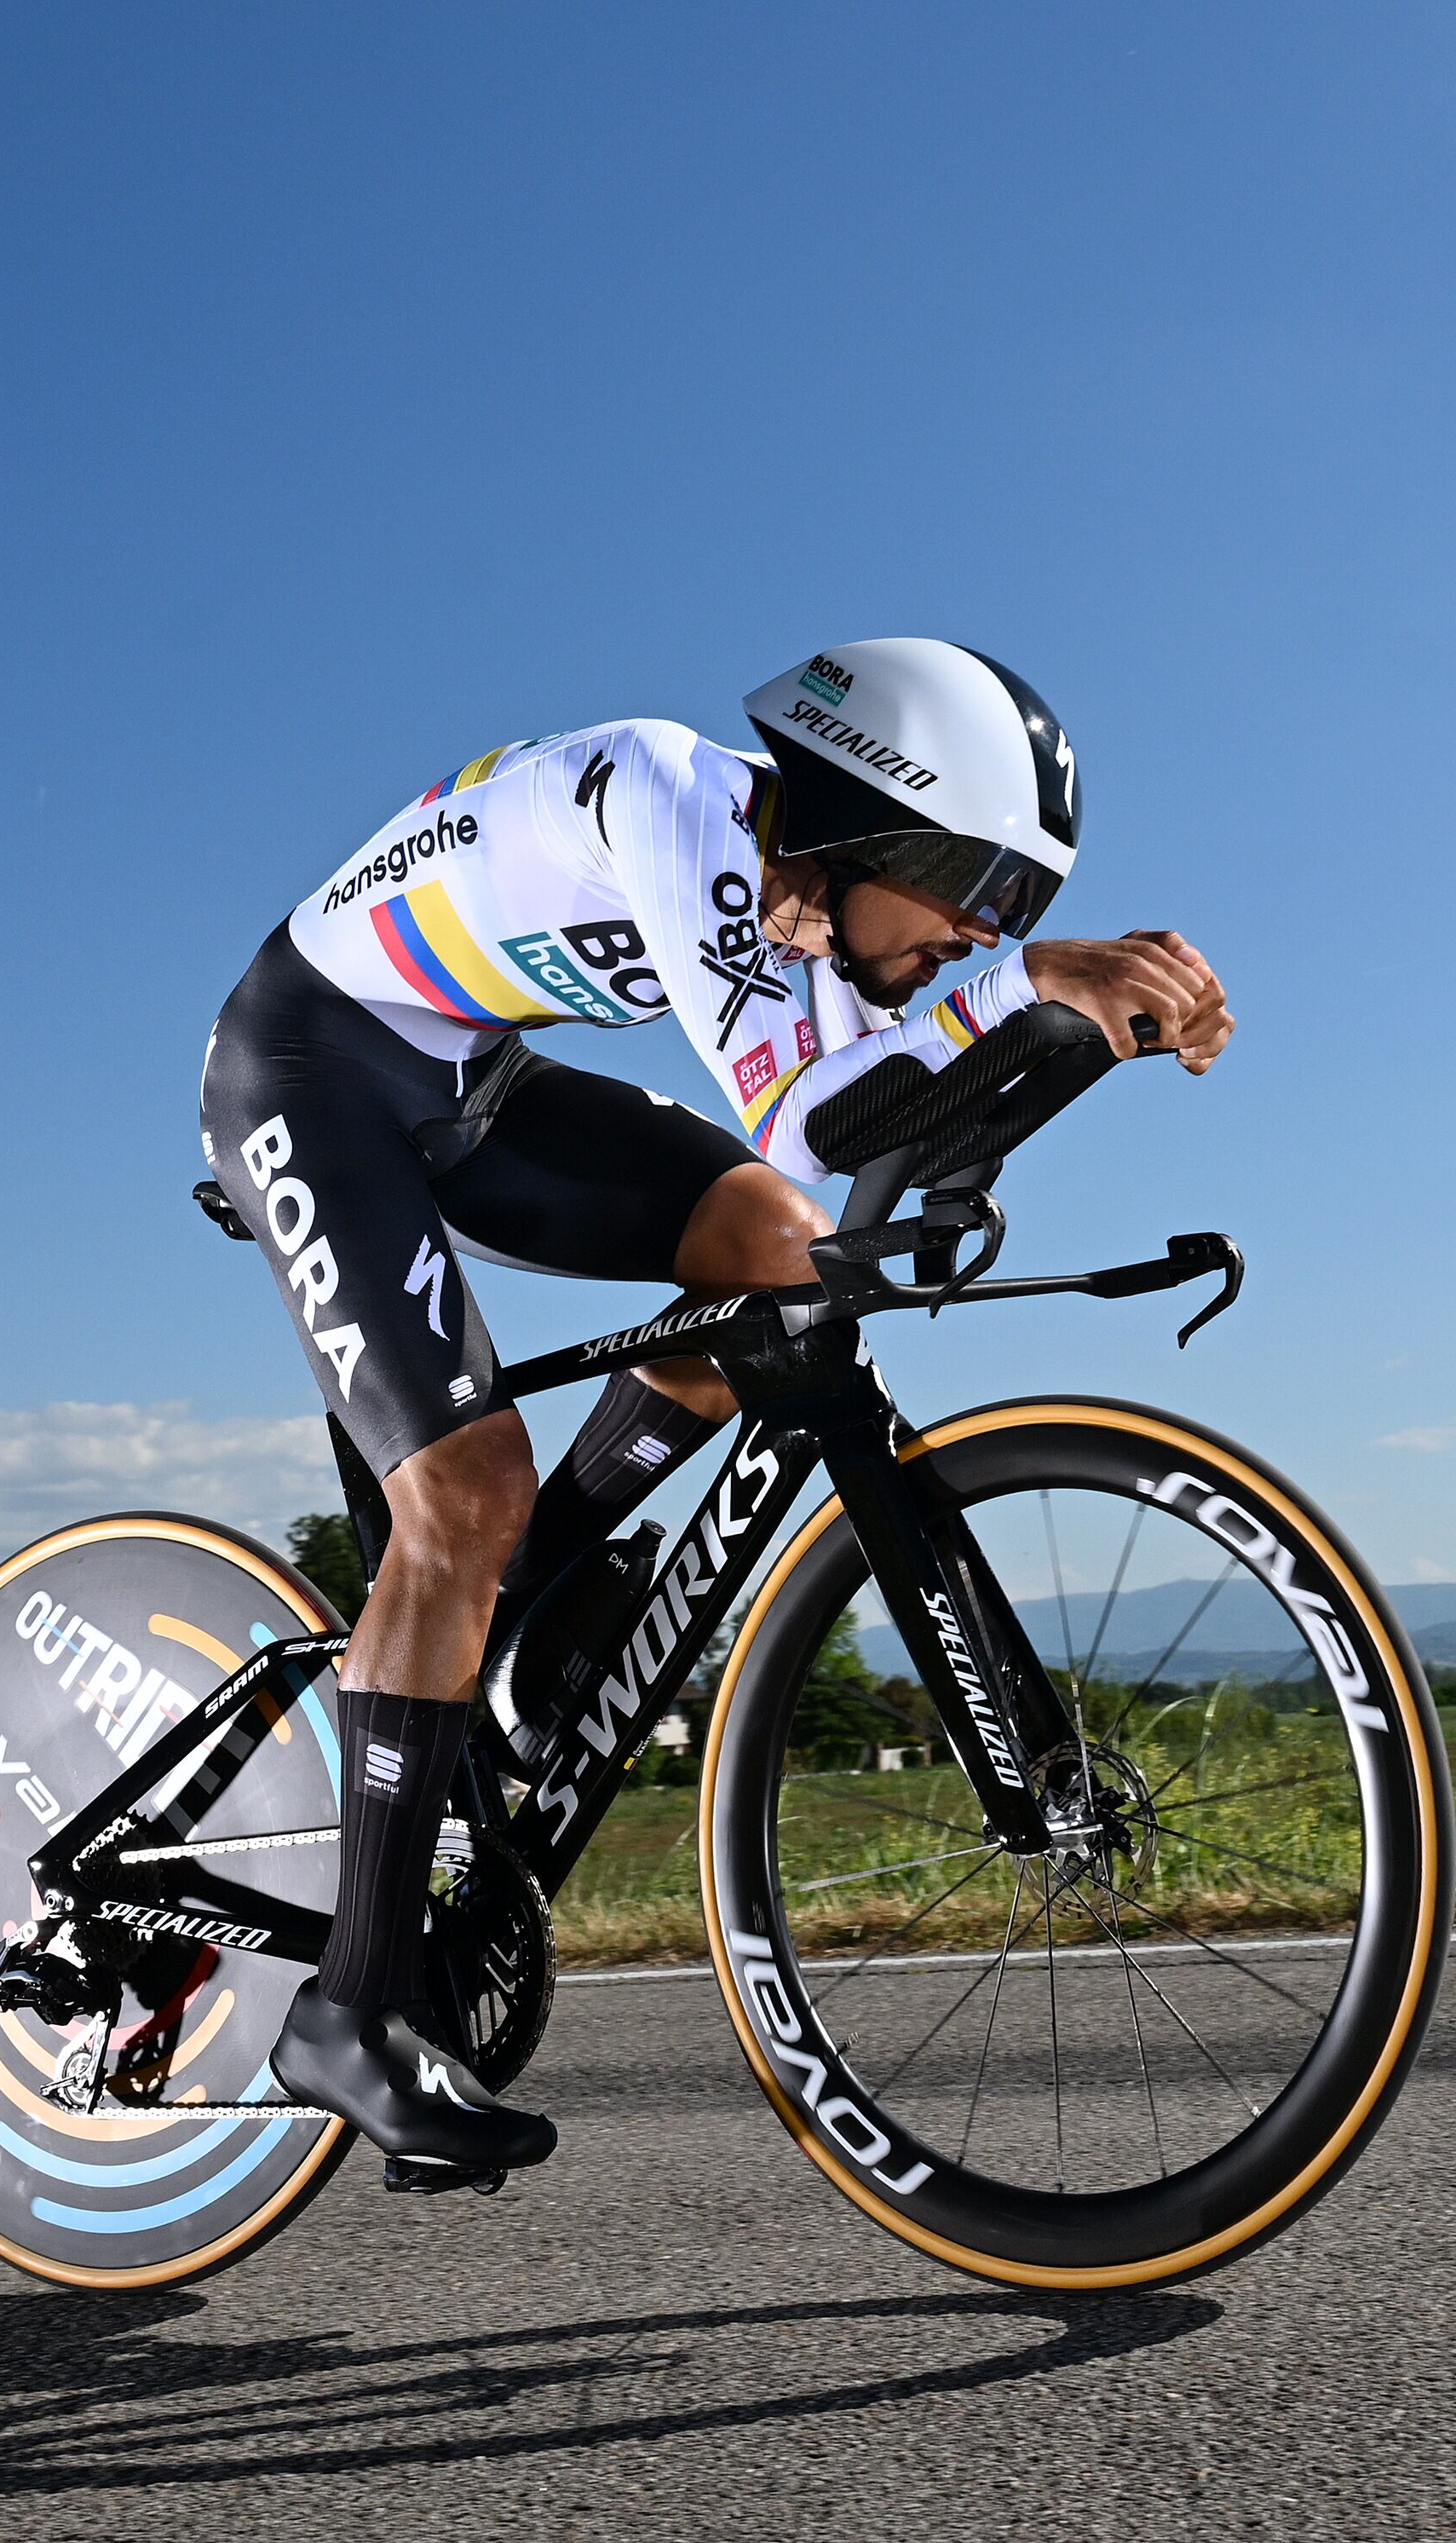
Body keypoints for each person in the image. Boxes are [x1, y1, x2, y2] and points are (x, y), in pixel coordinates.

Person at [198, 639, 1236, 2177]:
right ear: (857, 818)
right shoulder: (676, 812)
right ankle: (348, 2011)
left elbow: (878, 1153)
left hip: (475, 1083)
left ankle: (524, 1601)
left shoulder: (802, 899)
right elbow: (818, 1117)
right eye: (972, 883)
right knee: (463, 1493)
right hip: (308, 1067)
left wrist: (1082, 1038)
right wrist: (1042, 982)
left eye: (1010, 905)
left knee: (774, 1257)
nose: (975, 928)